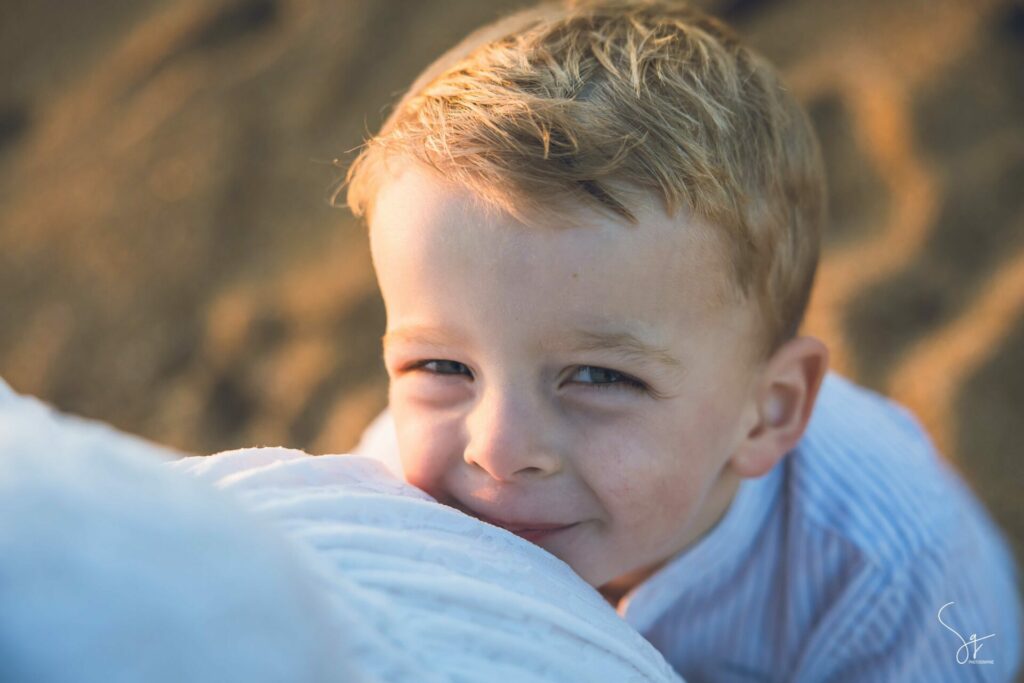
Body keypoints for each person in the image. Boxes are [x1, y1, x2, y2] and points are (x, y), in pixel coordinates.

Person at [340, 0, 1023, 680]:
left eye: (599, 376)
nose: (497, 449)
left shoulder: (896, 582)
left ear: (770, 409)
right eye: (440, 364)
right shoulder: (391, 497)